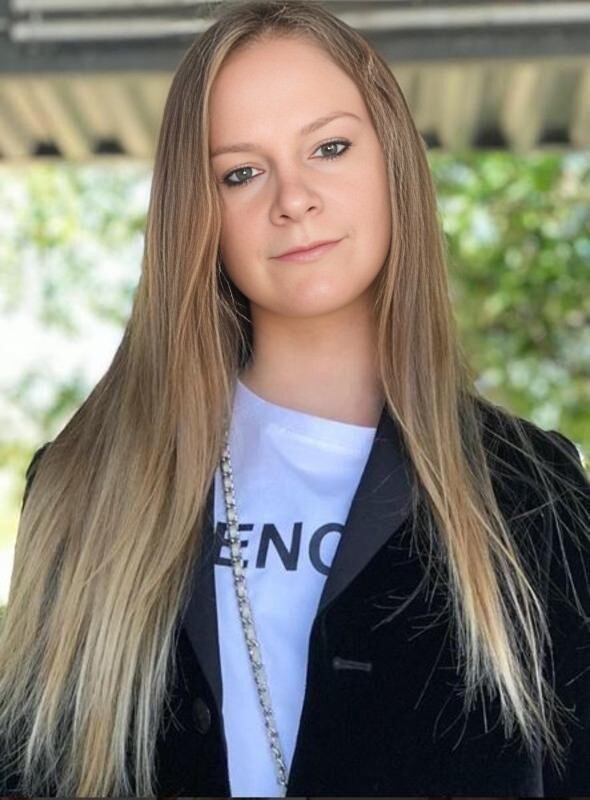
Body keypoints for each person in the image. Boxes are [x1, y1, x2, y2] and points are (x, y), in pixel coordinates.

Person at [1, 0, 589, 796]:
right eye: (241, 172)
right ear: (197, 211)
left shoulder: (534, 490)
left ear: (393, 162)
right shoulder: (85, 484)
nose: (293, 197)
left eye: (330, 147)